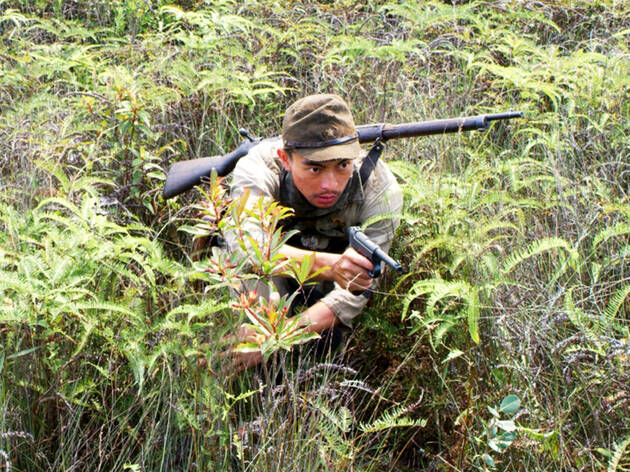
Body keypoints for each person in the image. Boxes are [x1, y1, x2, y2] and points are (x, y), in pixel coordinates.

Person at [223, 93, 403, 371]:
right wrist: (331, 267)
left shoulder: (379, 189)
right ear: (285, 158)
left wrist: (278, 337)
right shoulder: (257, 169)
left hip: (326, 297)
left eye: (343, 165)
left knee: (329, 345)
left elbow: (354, 296)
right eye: (314, 168)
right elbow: (248, 249)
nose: (329, 184)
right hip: (275, 278)